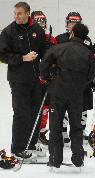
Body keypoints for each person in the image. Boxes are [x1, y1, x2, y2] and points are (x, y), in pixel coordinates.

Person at [40, 22, 95, 169]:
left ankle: (55, 159)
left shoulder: (58, 48)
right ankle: (78, 160)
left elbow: (44, 66)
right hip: (77, 95)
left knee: (55, 127)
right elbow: (91, 75)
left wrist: (49, 78)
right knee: (77, 127)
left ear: (72, 33)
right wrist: (80, 85)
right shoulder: (88, 53)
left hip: (57, 93)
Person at [0, 1, 47, 161]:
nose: (16, 16)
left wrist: (50, 59)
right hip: (18, 80)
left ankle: (31, 144)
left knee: (36, 112)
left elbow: (43, 49)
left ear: (28, 13)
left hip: (35, 79)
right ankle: (18, 149)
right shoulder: (8, 31)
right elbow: (2, 55)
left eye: (19, 13)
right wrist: (22, 58)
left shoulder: (37, 30)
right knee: (21, 114)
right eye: (15, 13)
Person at [56, 11, 93, 144]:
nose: (72, 25)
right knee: (64, 107)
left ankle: (81, 130)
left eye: (75, 23)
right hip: (64, 80)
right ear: (67, 23)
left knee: (83, 106)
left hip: (81, 81)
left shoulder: (87, 40)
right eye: (70, 22)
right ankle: (63, 131)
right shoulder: (59, 39)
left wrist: (90, 78)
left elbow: (90, 60)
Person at [31, 10, 58, 145]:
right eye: (37, 21)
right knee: (32, 107)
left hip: (46, 79)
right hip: (31, 79)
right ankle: (32, 133)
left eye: (42, 21)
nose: (40, 24)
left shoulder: (51, 39)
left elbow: (57, 59)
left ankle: (41, 132)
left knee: (46, 107)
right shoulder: (29, 37)